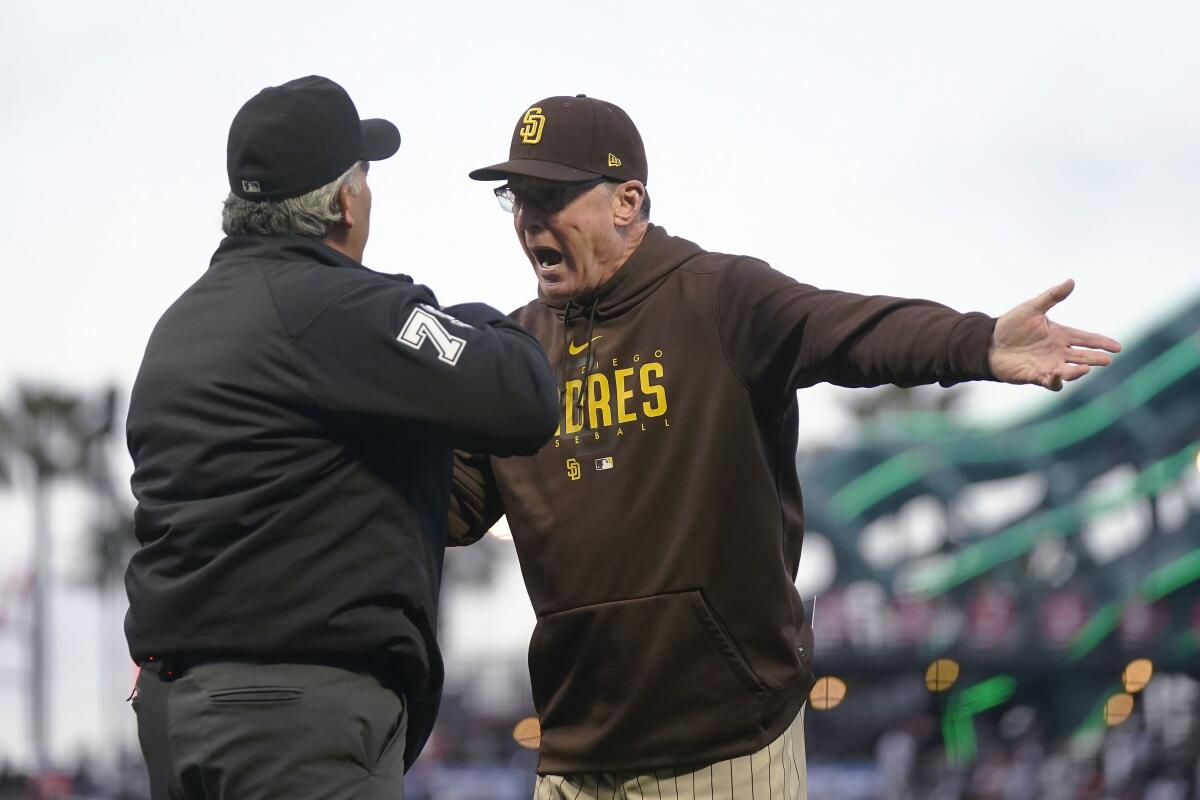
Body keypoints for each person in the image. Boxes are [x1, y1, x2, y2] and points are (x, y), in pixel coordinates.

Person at [451, 94, 1122, 799]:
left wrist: (978, 341)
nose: (528, 219)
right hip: (574, 757)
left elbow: (848, 330)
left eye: (550, 196)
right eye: (516, 198)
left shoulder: (717, 299)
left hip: (725, 749)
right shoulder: (518, 352)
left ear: (627, 202)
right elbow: (453, 506)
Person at [123, 75, 558, 800]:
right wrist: (482, 317)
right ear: (344, 199)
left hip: (182, 712)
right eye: (363, 174)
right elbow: (522, 394)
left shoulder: (182, 322)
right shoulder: (332, 308)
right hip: (291, 722)